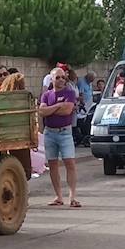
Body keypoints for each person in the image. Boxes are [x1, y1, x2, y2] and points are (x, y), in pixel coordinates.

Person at [38, 67, 80, 207]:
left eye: (63, 77)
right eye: (58, 77)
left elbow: (67, 110)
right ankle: (58, 197)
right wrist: (59, 106)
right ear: (52, 79)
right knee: (53, 164)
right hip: (50, 133)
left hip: (64, 132)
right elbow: (42, 111)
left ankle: (72, 197)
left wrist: (52, 109)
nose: (61, 80)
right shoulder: (46, 95)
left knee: (70, 163)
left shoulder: (70, 92)